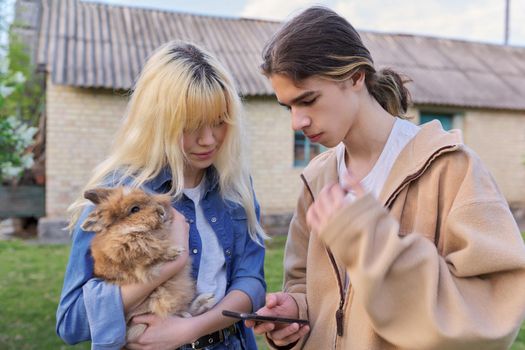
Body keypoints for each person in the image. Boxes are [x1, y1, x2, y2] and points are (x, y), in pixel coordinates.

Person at [247, 6, 525, 350]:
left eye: (308, 100)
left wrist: (367, 240)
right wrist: (296, 311)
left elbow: (494, 312)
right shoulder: (316, 179)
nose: (297, 122)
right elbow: (305, 285)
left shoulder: (451, 168)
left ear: (356, 77)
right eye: (288, 107)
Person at [56, 41, 267, 350]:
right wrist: (167, 266)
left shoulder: (235, 188)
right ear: (157, 121)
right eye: (191, 125)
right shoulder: (121, 197)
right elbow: (71, 321)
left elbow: (252, 283)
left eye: (219, 121)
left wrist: (189, 329)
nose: (208, 139)